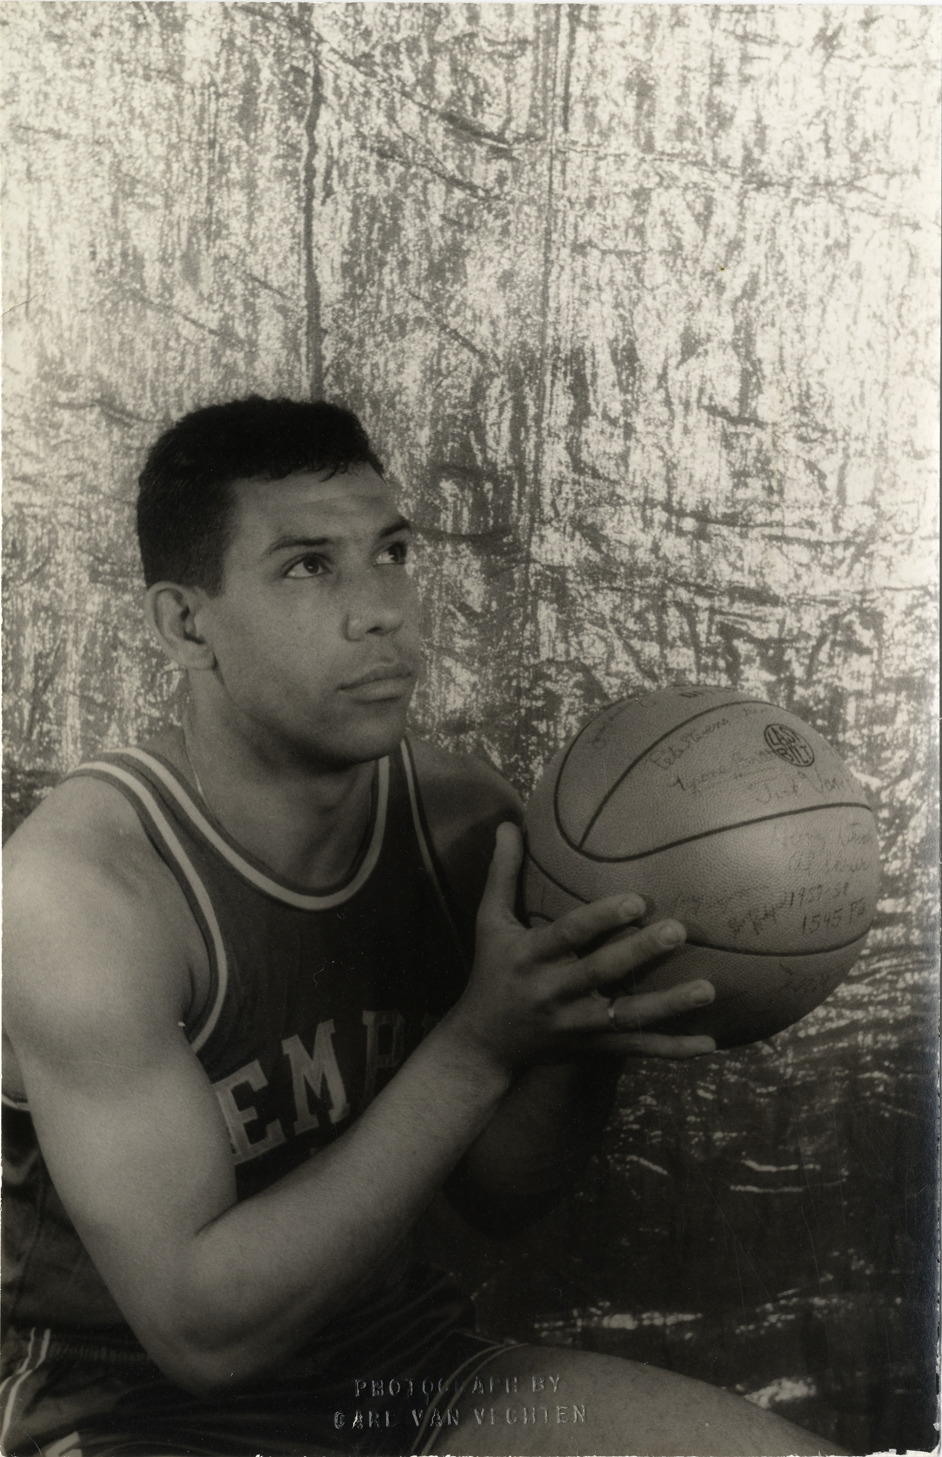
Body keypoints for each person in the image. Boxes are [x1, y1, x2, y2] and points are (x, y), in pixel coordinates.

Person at [1, 397, 846, 1457]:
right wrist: (481, 1043)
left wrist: (581, 1018)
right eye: (309, 566)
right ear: (185, 624)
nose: (382, 612)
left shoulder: (460, 821)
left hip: (399, 1378)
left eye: (393, 552)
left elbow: (502, 1194)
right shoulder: (80, 893)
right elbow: (201, 1333)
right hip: (134, 1415)